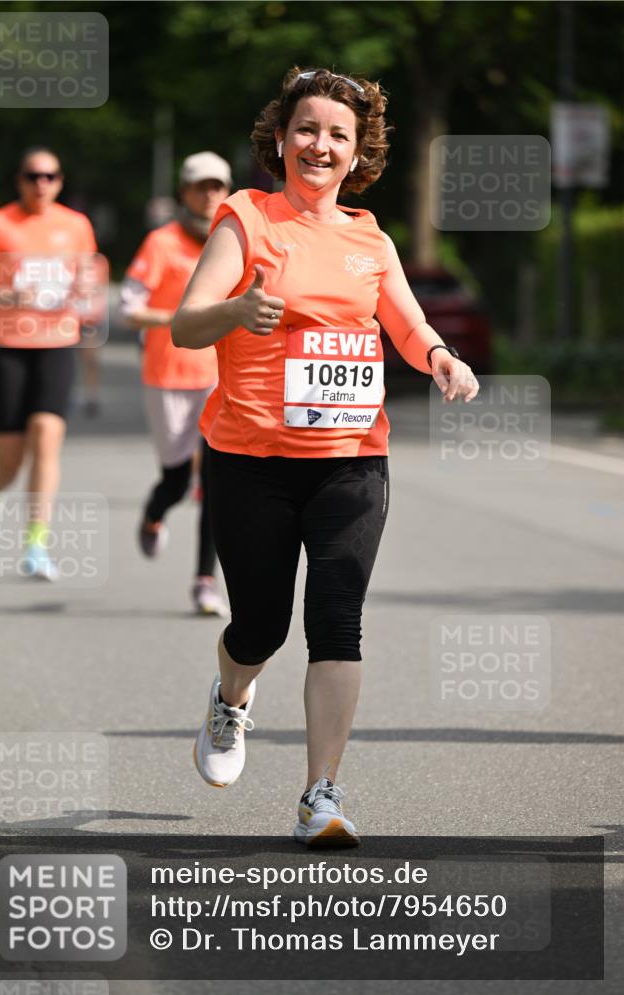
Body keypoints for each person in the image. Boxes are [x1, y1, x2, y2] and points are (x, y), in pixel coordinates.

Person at [172, 68, 480, 847]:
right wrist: (239, 308)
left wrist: (441, 356)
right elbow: (186, 324)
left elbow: (406, 325)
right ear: (280, 141)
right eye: (306, 130)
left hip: (350, 459)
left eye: (337, 135)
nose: (320, 144)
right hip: (251, 457)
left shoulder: (369, 237)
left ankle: (321, 795)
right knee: (261, 626)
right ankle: (231, 698)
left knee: (337, 620)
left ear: (355, 154)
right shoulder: (247, 217)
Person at [0, 146, 99, 580]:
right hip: (7, 344)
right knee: (10, 457)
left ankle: (36, 544)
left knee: (46, 437)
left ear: (60, 182)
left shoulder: (75, 225)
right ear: (19, 180)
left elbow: (87, 276)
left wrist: (85, 293)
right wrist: (7, 296)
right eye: (32, 176)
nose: (41, 184)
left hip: (57, 342)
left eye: (50, 177)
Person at [121, 152, 231, 616]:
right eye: (200, 187)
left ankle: (204, 582)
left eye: (217, 187)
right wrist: (180, 318)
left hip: (219, 377)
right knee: (177, 481)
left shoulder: (233, 242)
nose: (209, 195)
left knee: (216, 481)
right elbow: (129, 307)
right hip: (168, 375)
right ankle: (153, 514)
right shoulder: (161, 243)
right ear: (185, 192)